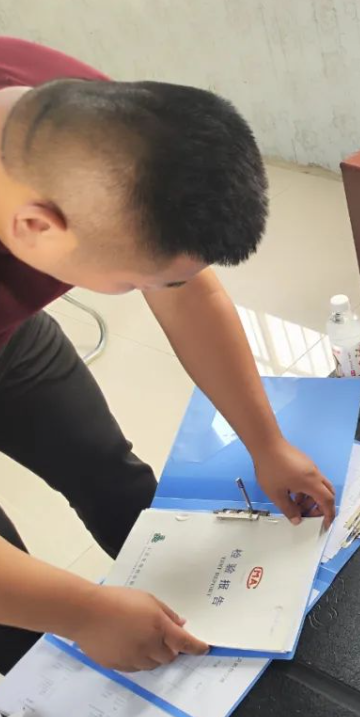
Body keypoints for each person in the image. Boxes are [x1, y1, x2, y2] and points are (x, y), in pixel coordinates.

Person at [0, 37, 336, 673]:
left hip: (12, 340)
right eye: (133, 280)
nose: (149, 289)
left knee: (106, 469)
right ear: (37, 228)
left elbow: (185, 293)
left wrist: (266, 443)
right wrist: (81, 612)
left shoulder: (83, 117)